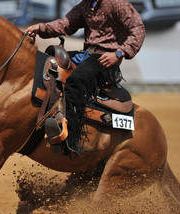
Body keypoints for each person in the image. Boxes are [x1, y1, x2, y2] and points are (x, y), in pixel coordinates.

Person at [25, 0, 145, 153]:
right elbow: (65, 25)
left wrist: (118, 53)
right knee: (52, 64)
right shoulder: (85, 5)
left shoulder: (118, 3)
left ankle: (71, 140)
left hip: (106, 59)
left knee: (75, 81)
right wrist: (40, 28)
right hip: (86, 55)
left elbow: (138, 30)